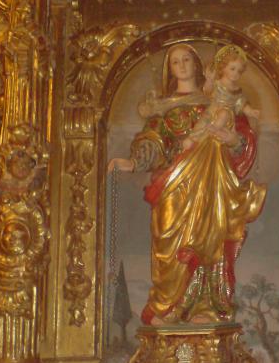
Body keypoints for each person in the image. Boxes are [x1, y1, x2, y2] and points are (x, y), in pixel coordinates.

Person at [108, 43, 266, 325]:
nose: (181, 66)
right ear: (169, 70)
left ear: (196, 64)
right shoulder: (163, 109)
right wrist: (134, 162)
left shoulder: (215, 100)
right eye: (175, 62)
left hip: (209, 182)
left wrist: (232, 139)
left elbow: (241, 138)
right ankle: (166, 307)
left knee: (209, 240)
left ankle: (204, 306)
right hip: (172, 183)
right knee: (169, 242)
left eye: (186, 60)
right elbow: (153, 142)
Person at [182, 44, 260, 150]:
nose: (235, 73)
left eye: (239, 71)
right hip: (212, 110)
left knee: (224, 113)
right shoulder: (217, 83)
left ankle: (213, 129)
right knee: (202, 123)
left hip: (226, 116)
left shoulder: (237, 89)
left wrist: (250, 111)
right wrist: (209, 80)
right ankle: (192, 139)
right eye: (232, 69)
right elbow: (207, 91)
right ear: (223, 67)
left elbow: (241, 103)